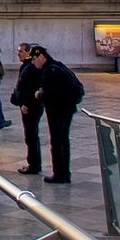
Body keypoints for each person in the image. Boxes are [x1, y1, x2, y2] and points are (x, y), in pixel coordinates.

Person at [31, 45, 84, 183]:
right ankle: (64, 173)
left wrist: (39, 95)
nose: (33, 62)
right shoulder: (58, 66)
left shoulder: (50, 71)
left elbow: (50, 94)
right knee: (63, 141)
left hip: (57, 110)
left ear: (42, 56)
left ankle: (59, 174)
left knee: (57, 141)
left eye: (35, 59)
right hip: (68, 108)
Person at [8, 42, 43, 175]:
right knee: (31, 135)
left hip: (30, 107)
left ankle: (34, 164)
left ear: (29, 53)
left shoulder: (30, 67)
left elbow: (29, 88)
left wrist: (25, 104)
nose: (18, 54)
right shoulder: (28, 66)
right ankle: (34, 163)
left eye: (21, 51)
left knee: (31, 135)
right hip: (30, 105)